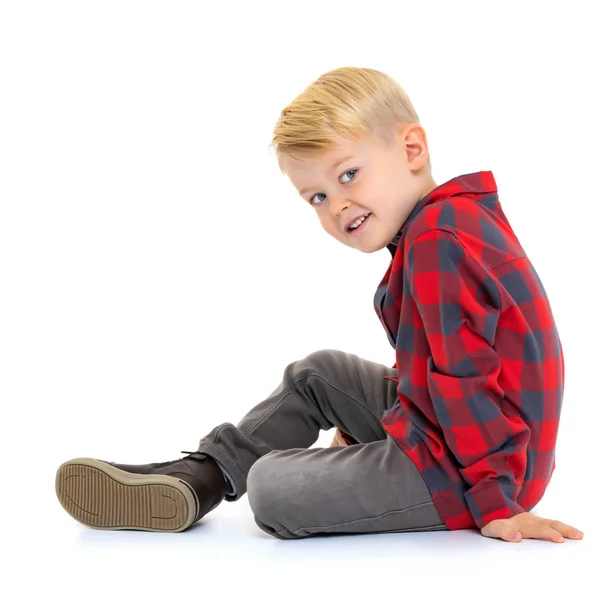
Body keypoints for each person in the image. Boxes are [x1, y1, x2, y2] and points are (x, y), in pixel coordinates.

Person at [55, 66, 583, 544]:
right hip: (470, 442)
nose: (338, 206)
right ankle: (203, 475)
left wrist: (495, 502)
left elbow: (464, 377)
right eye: (318, 197)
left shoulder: (436, 244)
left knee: (272, 489)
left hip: (477, 470)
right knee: (318, 373)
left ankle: (239, 475)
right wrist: (379, 424)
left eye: (348, 175)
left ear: (412, 149)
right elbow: (437, 366)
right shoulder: (447, 224)